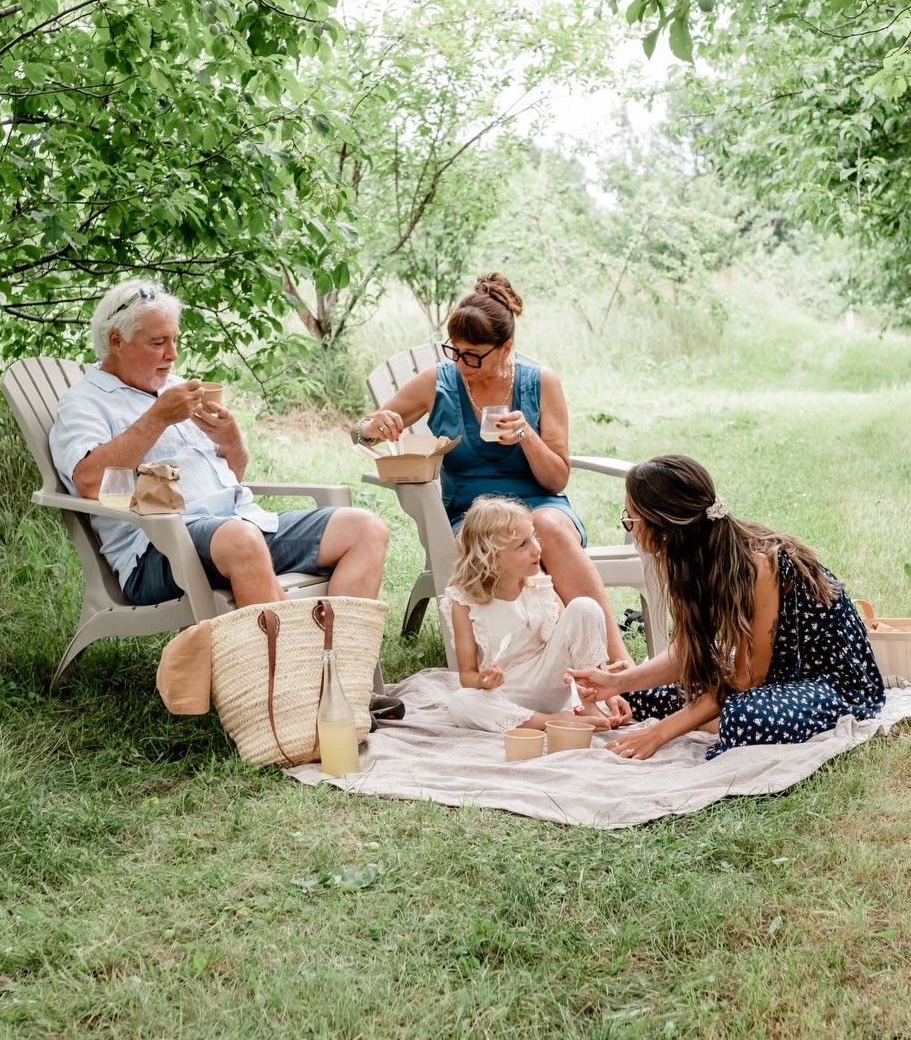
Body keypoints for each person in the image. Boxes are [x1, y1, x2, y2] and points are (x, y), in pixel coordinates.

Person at [50, 279, 388, 608]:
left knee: (365, 529)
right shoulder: (85, 402)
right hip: (158, 547)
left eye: (175, 340)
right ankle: (281, 663)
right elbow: (90, 481)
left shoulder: (176, 389)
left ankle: (340, 661)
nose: (173, 354)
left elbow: (234, 476)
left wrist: (231, 440)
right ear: (116, 341)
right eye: (158, 342)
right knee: (241, 539)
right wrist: (157, 418)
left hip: (242, 523)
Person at [352, 271, 629, 661]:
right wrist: (370, 427)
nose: (463, 363)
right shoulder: (439, 382)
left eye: (474, 355)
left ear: (506, 347)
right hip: (474, 515)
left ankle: (618, 666)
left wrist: (527, 437)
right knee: (503, 536)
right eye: (456, 351)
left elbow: (557, 478)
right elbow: (364, 430)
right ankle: (541, 666)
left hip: (542, 505)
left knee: (545, 527)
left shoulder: (541, 382)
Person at [570, 454, 886, 761]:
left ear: (665, 528)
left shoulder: (761, 566)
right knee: (637, 697)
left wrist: (660, 733)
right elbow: (687, 653)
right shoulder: (689, 564)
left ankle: (713, 722)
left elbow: (747, 680)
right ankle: (707, 720)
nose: (630, 529)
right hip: (775, 678)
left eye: (631, 520)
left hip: (833, 685)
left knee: (741, 714)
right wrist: (619, 683)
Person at [441, 497, 632, 732]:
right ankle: (559, 722)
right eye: (522, 545)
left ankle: (589, 703)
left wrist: (605, 686)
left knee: (584, 607)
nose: (537, 548)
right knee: (461, 702)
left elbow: (573, 636)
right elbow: (467, 675)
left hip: (552, 681)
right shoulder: (463, 602)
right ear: (490, 559)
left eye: (533, 536)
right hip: (508, 692)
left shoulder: (539, 584)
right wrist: (483, 680)